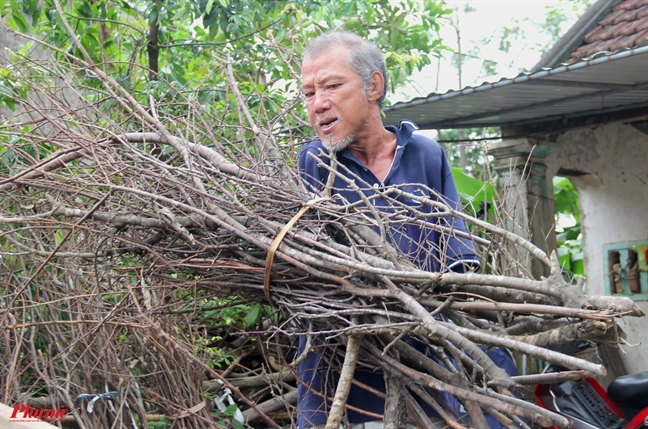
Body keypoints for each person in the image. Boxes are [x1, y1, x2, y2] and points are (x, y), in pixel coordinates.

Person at [296, 31, 483, 429]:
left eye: (331, 86)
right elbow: (307, 274)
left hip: (421, 358)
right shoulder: (314, 162)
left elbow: (456, 258)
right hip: (341, 365)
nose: (319, 104)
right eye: (309, 94)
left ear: (373, 86)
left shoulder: (425, 155)